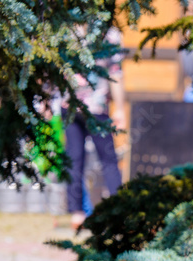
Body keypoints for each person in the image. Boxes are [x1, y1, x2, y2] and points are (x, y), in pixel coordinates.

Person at [65, 24, 126, 230]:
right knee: (90, 160)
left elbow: (115, 72)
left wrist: (119, 108)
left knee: (92, 159)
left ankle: (85, 213)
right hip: (82, 106)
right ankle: (85, 213)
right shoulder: (67, 27)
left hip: (84, 105)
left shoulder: (104, 31)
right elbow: (116, 72)